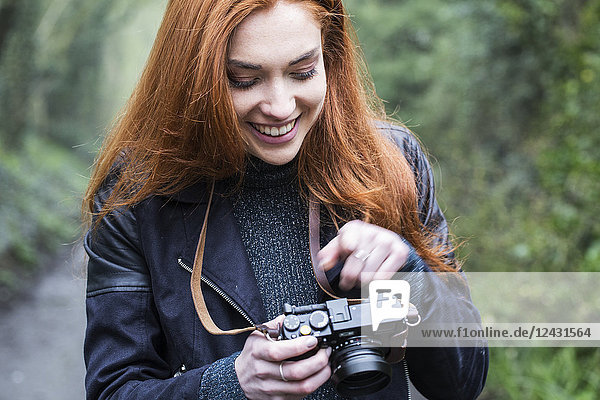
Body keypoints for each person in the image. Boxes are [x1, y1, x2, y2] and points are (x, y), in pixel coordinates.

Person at [82, 0, 488, 399]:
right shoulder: (138, 192)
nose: (280, 108)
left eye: (303, 71)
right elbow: (114, 388)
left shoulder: (392, 164)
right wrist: (231, 385)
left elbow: (462, 382)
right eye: (243, 79)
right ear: (191, 76)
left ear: (330, 57)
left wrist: (411, 276)